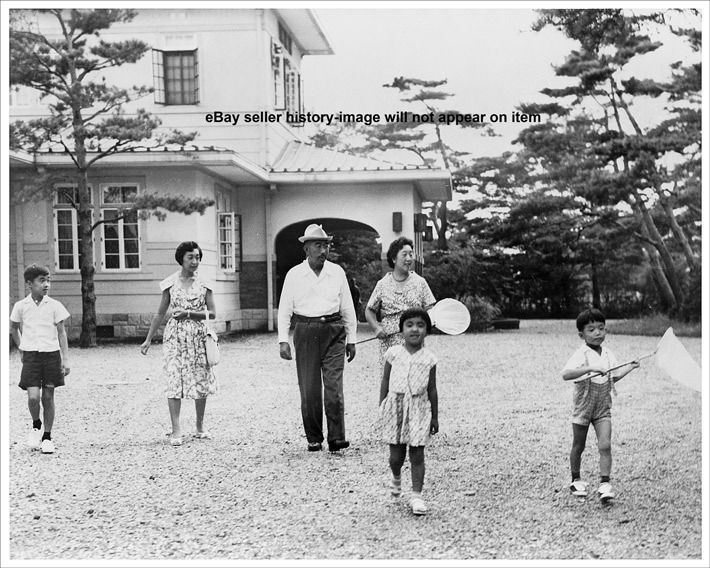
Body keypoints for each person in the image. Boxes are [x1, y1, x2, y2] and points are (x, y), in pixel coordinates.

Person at [278, 224, 357, 453]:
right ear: (306, 248)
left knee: (333, 387)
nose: (323, 250)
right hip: (305, 330)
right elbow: (284, 309)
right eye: (318, 245)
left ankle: (337, 437)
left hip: (334, 330)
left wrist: (351, 338)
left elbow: (348, 308)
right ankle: (314, 438)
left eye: (326, 245)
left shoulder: (337, 272)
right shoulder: (294, 274)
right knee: (310, 388)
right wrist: (283, 339)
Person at [141, 241, 217, 446]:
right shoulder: (169, 283)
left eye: (198, 257)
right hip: (175, 337)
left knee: (200, 379)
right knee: (174, 378)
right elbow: (160, 313)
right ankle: (176, 430)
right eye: (190, 257)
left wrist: (189, 314)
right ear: (181, 259)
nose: (195, 261)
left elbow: (213, 313)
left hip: (199, 337)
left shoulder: (205, 284)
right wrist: (148, 339)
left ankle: (200, 426)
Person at [561, 308, 639, 503]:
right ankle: (576, 479)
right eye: (591, 329)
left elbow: (614, 376)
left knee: (605, 444)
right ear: (581, 334)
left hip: (602, 406)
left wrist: (630, 367)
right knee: (579, 445)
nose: (597, 333)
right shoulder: (582, 354)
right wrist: (590, 368)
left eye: (601, 328)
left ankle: (605, 483)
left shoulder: (608, 354)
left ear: (606, 330)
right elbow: (565, 374)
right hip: (583, 406)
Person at [378, 307, 438, 516]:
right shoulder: (393, 353)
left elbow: (432, 388)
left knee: (417, 453)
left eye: (421, 325)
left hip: (419, 409)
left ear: (427, 331)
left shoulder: (430, 358)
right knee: (396, 455)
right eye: (409, 325)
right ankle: (395, 477)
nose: (415, 329)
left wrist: (435, 416)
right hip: (396, 406)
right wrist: (382, 404)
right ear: (401, 329)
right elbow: (385, 380)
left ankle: (416, 496)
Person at [10, 264, 71, 454]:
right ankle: (36, 424)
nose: (46, 285)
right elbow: (13, 328)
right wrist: (21, 348)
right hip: (31, 356)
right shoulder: (21, 306)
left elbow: (61, 333)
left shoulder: (54, 306)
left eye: (48, 280)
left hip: (51, 355)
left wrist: (65, 359)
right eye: (41, 281)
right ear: (29, 283)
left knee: (48, 396)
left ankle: (47, 437)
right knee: (33, 397)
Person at [365, 237, 436, 366]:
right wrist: (376, 328)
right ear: (393, 258)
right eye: (404, 255)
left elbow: (430, 308)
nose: (409, 259)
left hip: (414, 340)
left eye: (411, 254)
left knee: (415, 378)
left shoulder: (420, 282)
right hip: (389, 342)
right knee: (390, 380)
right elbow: (369, 310)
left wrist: (430, 321)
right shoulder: (382, 284)